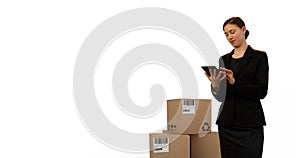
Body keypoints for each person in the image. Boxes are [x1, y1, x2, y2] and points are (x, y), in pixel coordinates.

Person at [205, 17, 269, 158]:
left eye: (232, 32)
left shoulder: (259, 57)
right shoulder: (224, 60)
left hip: (249, 125)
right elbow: (219, 95)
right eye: (226, 34)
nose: (229, 37)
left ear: (243, 30)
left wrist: (234, 82)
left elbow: (261, 91)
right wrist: (215, 83)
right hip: (227, 124)